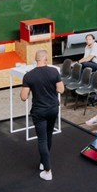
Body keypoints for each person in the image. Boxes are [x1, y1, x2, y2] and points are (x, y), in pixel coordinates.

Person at [18, 50, 64, 180]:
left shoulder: (29, 76)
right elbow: (61, 89)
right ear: (46, 58)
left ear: (36, 59)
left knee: (42, 139)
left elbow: (23, 97)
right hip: (53, 109)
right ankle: (44, 163)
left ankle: (48, 170)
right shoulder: (54, 72)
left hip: (39, 111)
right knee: (48, 136)